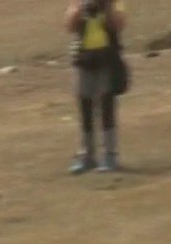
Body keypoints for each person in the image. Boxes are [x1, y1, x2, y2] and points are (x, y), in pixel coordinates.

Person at [64, 0, 127, 174]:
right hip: (83, 58)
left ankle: (110, 155)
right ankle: (87, 155)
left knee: (106, 106)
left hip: (107, 57)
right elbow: (69, 26)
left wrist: (106, 8)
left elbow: (119, 25)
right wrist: (80, 9)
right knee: (85, 106)